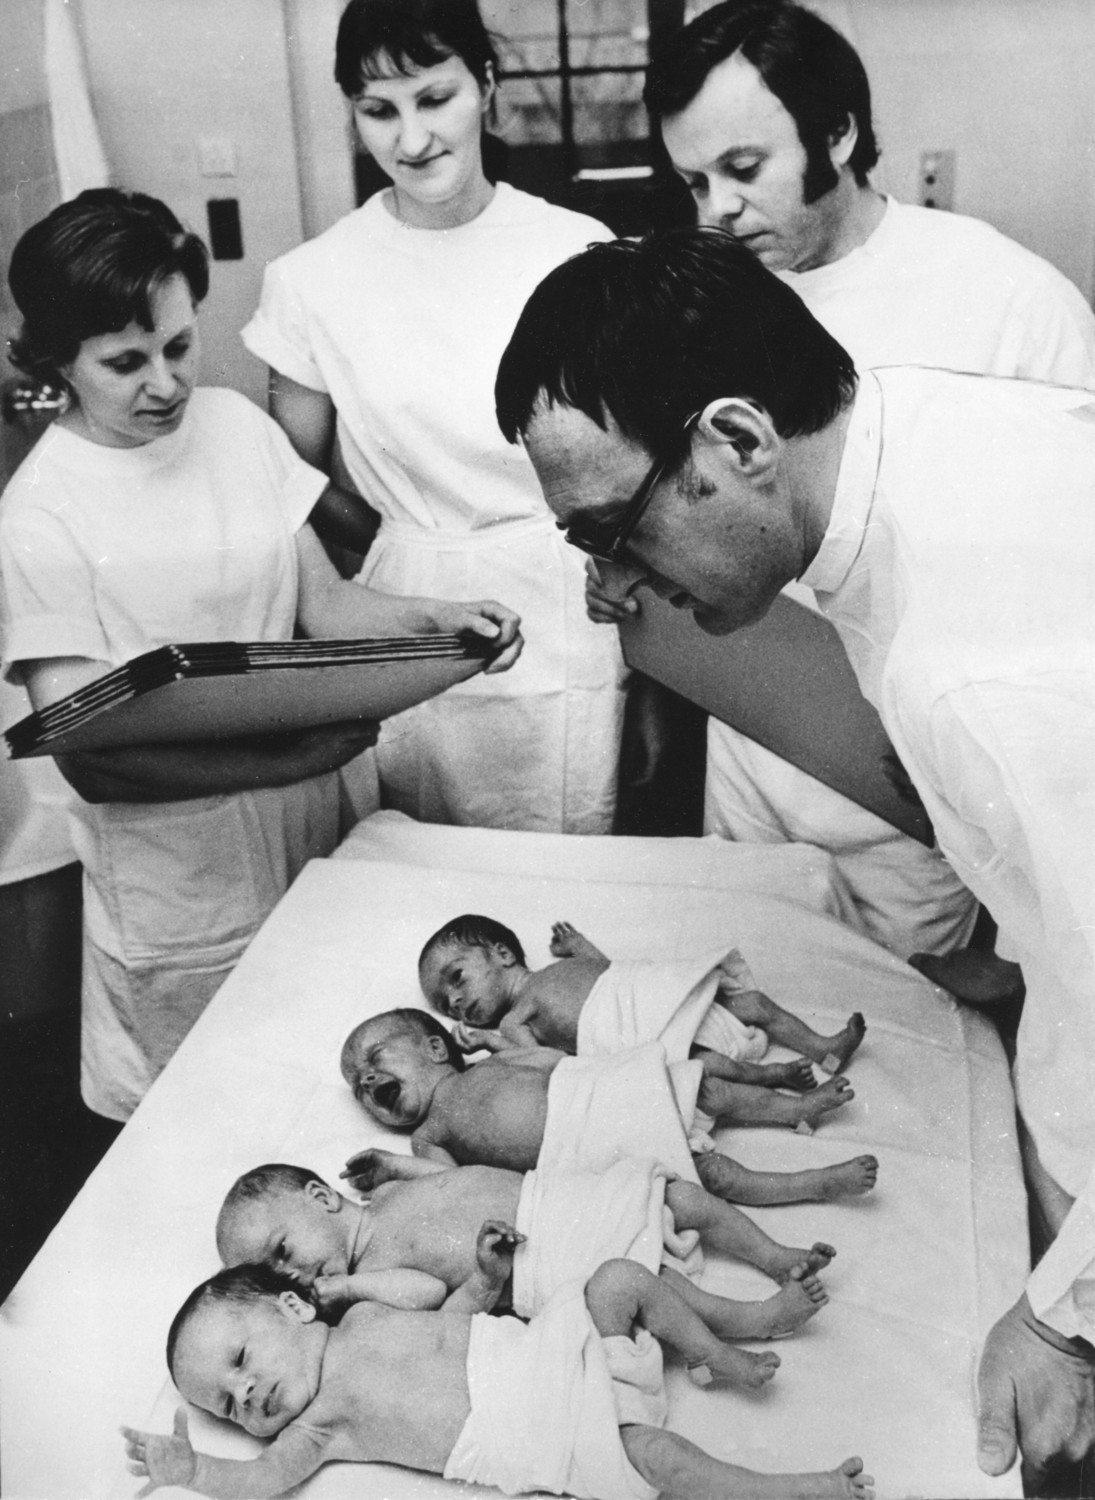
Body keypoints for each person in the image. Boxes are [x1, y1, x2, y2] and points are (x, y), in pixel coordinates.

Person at [494, 223, 1095, 1492]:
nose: (611, 576)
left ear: (740, 441)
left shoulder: (974, 672)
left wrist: (1063, 1318)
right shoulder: (916, 430)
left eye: (612, 527)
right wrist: (1031, 941)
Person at [586, 0, 1095, 963]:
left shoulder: (1007, 303)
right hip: (748, 761)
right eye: (691, 180)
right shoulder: (703, 306)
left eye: (742, 170)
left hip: (918, 796)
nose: (716, 211)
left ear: (838, 133)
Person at [0, 189, 520, 1123]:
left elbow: (325, 602)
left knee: (349, 1098)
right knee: (211, 1121)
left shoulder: (235, 426)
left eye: (178, 345)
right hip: (180, 877)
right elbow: (88, 750)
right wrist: (297, 756)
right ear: (57, 362)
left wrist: (443, 623)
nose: (164, 382)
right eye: (124, 363)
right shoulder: (41, 513)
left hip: (315, 825)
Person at [240, 0, 625, 833]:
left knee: (565, 869)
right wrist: (390, 545)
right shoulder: (312, 280)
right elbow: (289, 484)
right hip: (404, 616)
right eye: (378, 111)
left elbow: (624, 465)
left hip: (565, 604)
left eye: (433, 97)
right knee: (417, 874)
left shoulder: (574, 248)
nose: (410, 140)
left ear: (485, 84)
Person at [122, 1249, 875, 1500]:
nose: (245, 1394)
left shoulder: (360, 1317)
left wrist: (481, 1280)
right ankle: (798, 1489)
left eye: (240, 1362)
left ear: (293, 1306)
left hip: (548, 1352)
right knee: (661, 1462)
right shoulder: (322, 1425)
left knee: (618, 1279)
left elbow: (440, 1306)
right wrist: (195, 1468)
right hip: (548, 1431)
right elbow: (266, 1481)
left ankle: (736, 1338)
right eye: (228, 1404)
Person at [216, 1161, 829, 1370]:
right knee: (650, 1281)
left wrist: (397, 1166)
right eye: (273, 1276)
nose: (289, 1276)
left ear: (323, 1198)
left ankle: (774, 1255)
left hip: (554, 1203)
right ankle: (754, 1319)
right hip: (542, 1266)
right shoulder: (368, 1287)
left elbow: (453, 1178)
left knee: (679, 1198)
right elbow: (432, 1297)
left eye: (282, 1251)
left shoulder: (388, 1198)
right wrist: (346, 1285)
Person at [342, 1007, 860, 1196]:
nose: (367, 1080)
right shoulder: (426, 1135)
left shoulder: (490, 1065)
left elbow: (553, 1060)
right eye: (359, 1087)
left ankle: (795, 1107)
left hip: (601, 1095)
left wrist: (503, 1043)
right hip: (584, 1156)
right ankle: (814, 1183)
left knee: (708, 1089)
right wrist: (392, 1167)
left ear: (436, 1047)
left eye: (375, 1057)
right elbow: (453, 1184)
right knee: (715, 1178)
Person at [418, 912, 866, 1080]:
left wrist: (579, 947)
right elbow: (540, 1065)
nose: (455, 1002)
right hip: (642, 1039)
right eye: (444, 1004)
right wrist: (491, 1042)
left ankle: (823, 1048)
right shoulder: (515, 1020)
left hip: (651, 1001)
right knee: (704, 1068)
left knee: (754, 1005)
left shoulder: (557, 970)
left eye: (456, 978)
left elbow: (609, 974)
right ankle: (785, 1082)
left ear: (501, 953)